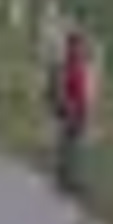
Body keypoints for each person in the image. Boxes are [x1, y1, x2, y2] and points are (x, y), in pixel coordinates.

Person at [46, 29, 95, 196]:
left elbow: (86, 88)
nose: (80, 49)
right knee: (66, 144)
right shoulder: (65, 65)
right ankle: (63, 178)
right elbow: (61, 87)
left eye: (81, 46)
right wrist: (67, 106)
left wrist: (87, 108)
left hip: (80, 108)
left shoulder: (82, 64)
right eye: (77, 45)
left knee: (76, 145)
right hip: (69, 108)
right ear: (70, 46)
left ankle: (71, 178)